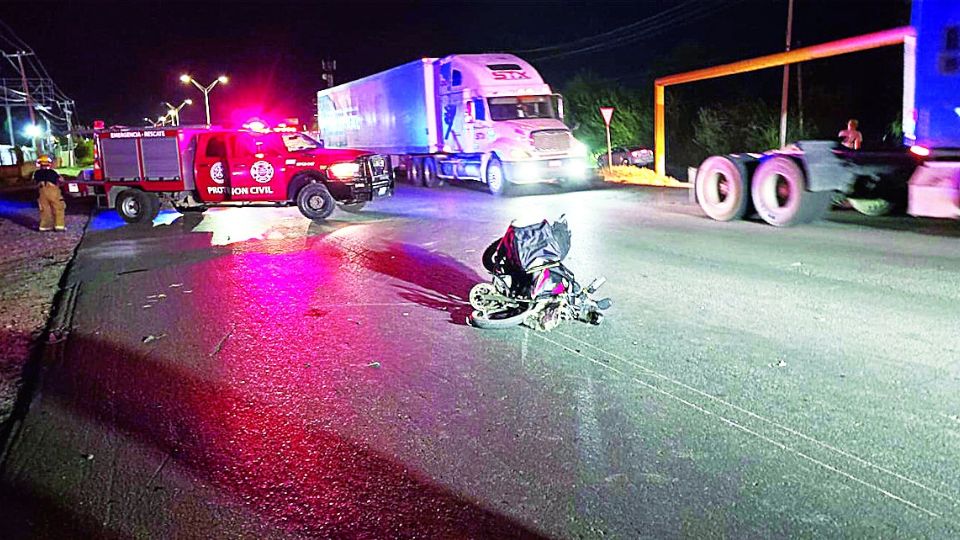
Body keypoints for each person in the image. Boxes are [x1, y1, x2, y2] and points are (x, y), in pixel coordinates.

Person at [33, 155, 66, 232]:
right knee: (58, 207)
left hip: (42, 193)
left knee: (45, 209)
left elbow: (35, 182)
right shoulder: (53, 172)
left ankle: (45, 226)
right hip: (53, 192)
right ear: (49, 163)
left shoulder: (37, 173)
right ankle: (59, 226)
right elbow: (61, 180)